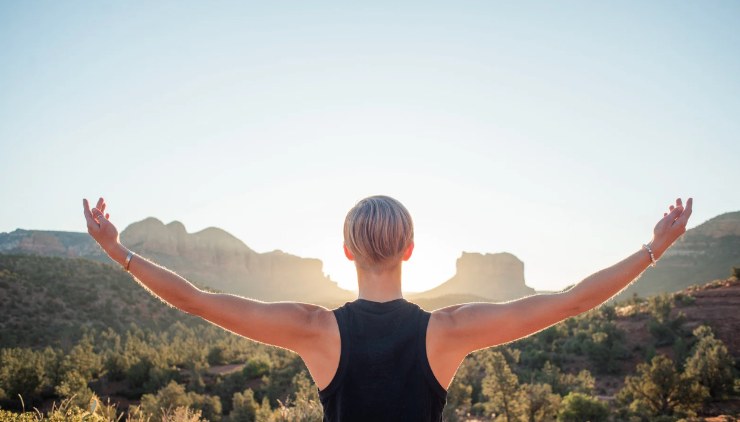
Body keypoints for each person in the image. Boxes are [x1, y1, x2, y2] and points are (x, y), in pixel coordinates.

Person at [82, 195, 693, 421]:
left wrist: (120, 253)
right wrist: (651, 249)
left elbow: (194, 299)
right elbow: (572, 301)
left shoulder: (314, 330)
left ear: (345, 251)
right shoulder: (448, 332)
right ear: (410, 250)